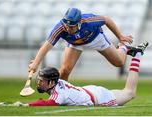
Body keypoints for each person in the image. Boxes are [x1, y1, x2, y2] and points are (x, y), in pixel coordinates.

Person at [14, 42, 148, 106]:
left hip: (99, 98)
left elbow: (47, 103)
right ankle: (128, 50)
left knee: (130, 93)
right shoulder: (57, 82)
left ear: (51, 82)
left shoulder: (59, 95)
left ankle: (135, 54)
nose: (38, 82)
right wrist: (36, 65)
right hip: (91, 91)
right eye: (39, 79)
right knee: (126, 92)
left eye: (41, 80)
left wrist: (27, 105)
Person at [28, 7, 136, 81]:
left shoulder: (89, 20)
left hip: (96, 38)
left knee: (119, 62)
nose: (68, 29)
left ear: (79, 22)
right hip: (75, 44)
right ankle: (62, 94)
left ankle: (123, 48)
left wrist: (120, 37)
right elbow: (47, 45)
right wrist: (36, 63)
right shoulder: (60, 28)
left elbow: (107, 20)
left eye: (72, 26)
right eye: (67, 26)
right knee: (65, 70)